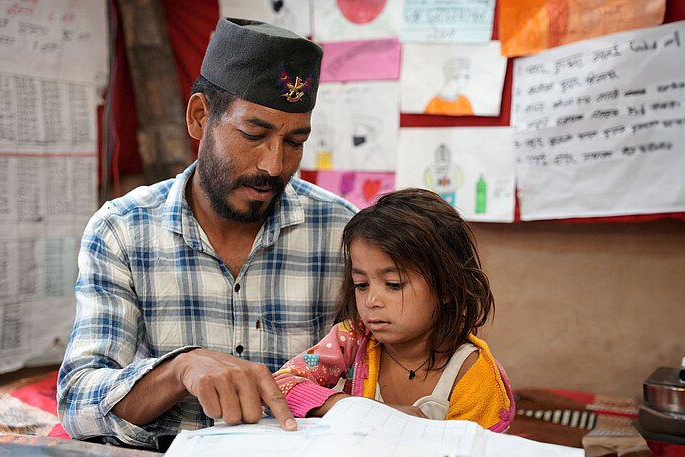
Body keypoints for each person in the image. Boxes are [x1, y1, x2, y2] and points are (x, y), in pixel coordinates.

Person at [57, 17, 357, 449]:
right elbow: (78, 402)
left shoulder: (341, 233)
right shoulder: (122, 231)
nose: (273, 165)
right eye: (254, 134)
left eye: (294, 142)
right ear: (200, 117)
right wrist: (181, 370)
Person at [274, 188, 514, 431]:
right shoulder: (351, 339)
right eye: (362, 285)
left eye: (394, 285)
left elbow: (476, 447)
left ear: (447, 288)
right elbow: (281, 384)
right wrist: (351, 406)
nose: (372, 300)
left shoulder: (474, 374)